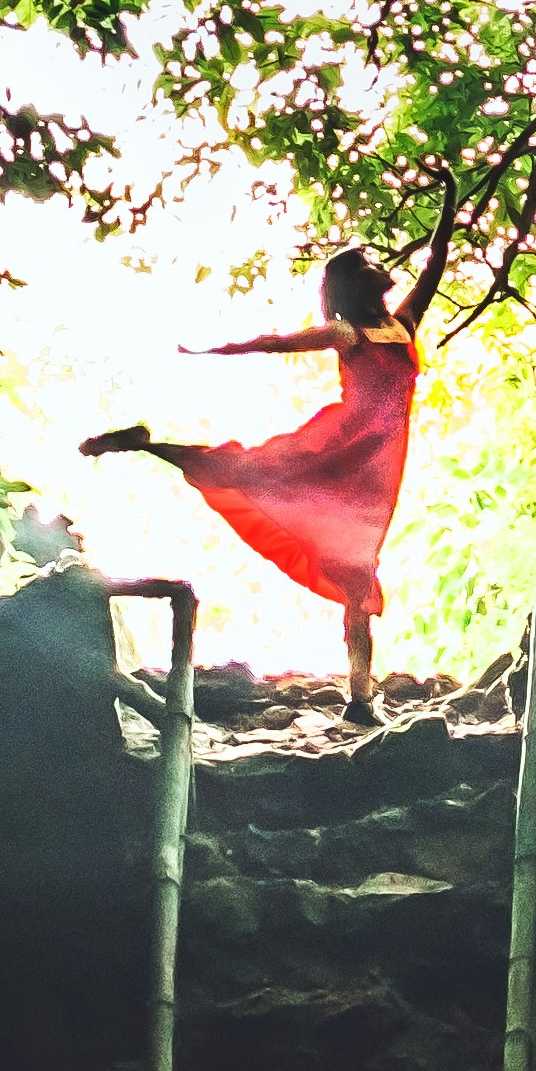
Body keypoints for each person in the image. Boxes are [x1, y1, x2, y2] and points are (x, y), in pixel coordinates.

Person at [78, 248, 422, 725]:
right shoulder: (348, 334)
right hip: (339, 450)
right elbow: (278, 343)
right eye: (362, 265)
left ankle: (360, 696)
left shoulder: (405, 322)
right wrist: (209, 350)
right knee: (252, 476)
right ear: (354, 286)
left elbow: (438, 258)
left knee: (358, 572)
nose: (376, 267)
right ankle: (361, 700)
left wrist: (449, 192)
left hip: (377, 468)